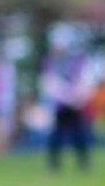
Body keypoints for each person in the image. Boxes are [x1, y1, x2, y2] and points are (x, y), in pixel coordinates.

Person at [40, 30, 96, 172]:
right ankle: (54, 164)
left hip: (76, 104)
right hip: (61, 106)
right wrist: (66, 96)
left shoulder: (78, 61)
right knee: (57, 136)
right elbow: (49, 84)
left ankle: (83, 163)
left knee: (79, 135)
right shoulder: (51, 62)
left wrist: (78, 96)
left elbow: (85, 79)